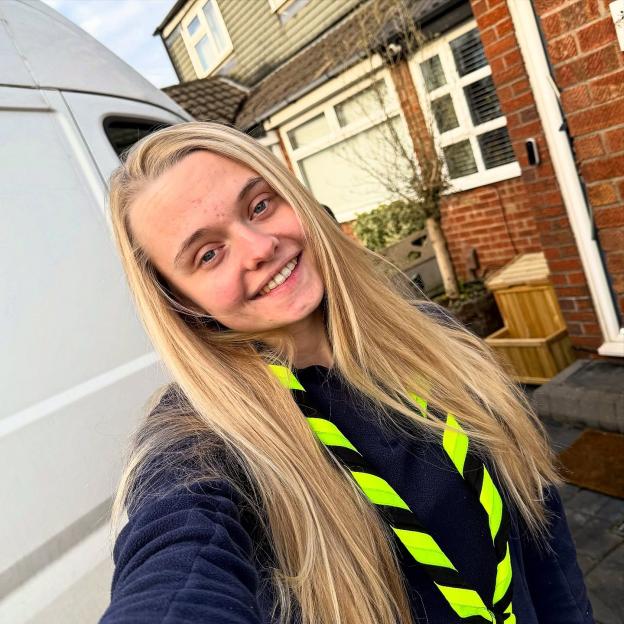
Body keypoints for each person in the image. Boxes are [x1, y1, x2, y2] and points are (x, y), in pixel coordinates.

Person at [100, 121, 593, 624]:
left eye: (261, 205)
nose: (258, 247)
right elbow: (176, 571)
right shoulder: (202, 443)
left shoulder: (426, 333)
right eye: (208, 253)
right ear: (181, 301)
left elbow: (542, 533)